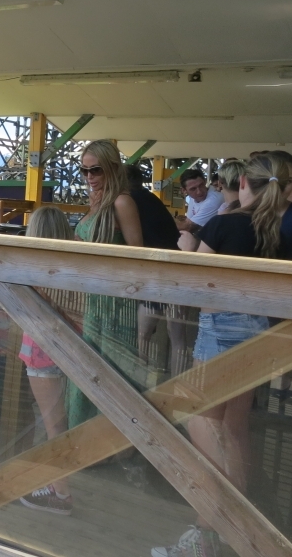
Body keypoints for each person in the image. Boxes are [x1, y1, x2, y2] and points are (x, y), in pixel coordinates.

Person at [152, 153, 292, 557]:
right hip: (268, 332)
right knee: (233, 429)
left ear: (244, 183)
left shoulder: (224, 223)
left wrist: (186, 246)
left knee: (200, 421)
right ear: (288, 184)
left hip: (220, 327)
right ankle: (226, 530)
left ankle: (219, 526)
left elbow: (195, 280)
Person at [67, 141, 143, 429]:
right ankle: (85, 438)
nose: (89, 176)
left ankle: (112, 439)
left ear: (112, 168)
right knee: (89, 370)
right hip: (92, 298)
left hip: (114, 301)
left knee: (111, 372)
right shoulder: (96, 200)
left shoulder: (121, 202)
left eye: (96, 169)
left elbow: (138, 255)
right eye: (84, 170)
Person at [17, 206, 77, 515]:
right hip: (68, 350)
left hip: (41, 353)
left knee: (54, 426)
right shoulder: (70, 266)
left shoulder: (32, 268)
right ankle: (59, 484)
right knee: (61, 423)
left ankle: (60, 493)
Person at [126, 164, 189, 375]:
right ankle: (178, 384)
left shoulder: (128, 202)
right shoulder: (152, 199)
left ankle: (138, 379)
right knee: (177, 337)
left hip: (154, 273)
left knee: (143, 335)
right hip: (176, 270)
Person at [175, 169, 224, 234]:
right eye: (193, 189)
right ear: (184, 190)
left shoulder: (214, 199)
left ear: (205, 181)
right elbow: (187, 221)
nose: (199, 192)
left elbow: (187, 228)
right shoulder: (193, 198)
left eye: (201, 185)